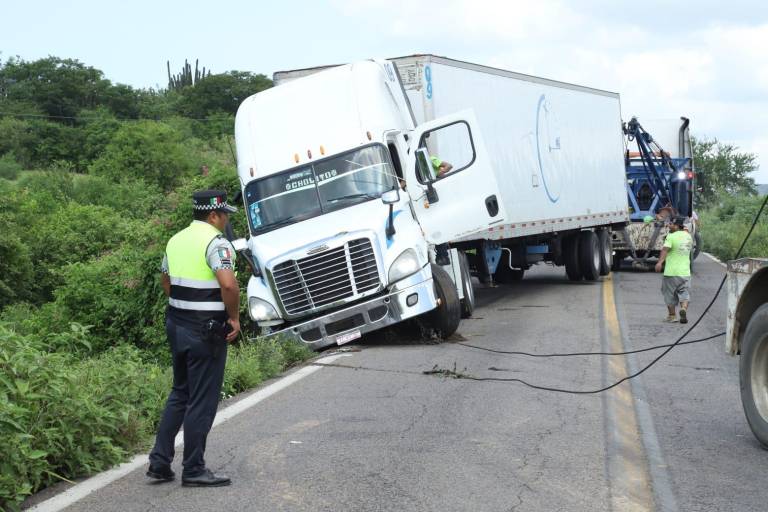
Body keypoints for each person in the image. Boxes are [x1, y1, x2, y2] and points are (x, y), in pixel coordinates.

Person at [147, 190, 241, 487]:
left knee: (181, 392)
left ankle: (159, 462)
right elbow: (228, 285)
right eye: (224, 215)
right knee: (202, 399)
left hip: (177, 324)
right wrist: (234, 318)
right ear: (213, 215)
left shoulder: (175, 240)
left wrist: (186, 305)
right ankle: (194, 469)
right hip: (205, 331)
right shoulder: (216, 243)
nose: (226, 221)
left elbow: (165, 280)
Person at [655, 216, 694, 323]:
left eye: (671, 224)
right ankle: (683, 309)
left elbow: (665, 250)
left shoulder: (671, 236)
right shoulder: (688, 237)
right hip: (685, 272)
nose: (669, 225)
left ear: (677, 226)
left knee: (669, 294)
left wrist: (659, 262)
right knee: (684, 292)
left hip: (671, 272)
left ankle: (672, 316)